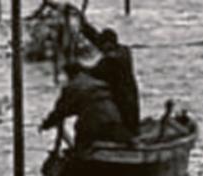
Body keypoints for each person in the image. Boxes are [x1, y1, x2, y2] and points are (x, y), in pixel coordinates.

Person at [71, 6, 140, 135]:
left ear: (111, 44)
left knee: (127, 128)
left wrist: (77, 67)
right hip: (122, 97)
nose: (102, 50)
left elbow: (94, 72)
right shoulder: (122, 50)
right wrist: (83, 24)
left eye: (105, 47)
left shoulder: (115, 59)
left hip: (124, 101)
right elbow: (96, 38)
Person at [40, 60, 131, 150]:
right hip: (114, 117)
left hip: (92, 122)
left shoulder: (72, 87)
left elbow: (60, 110)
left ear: (69, 74)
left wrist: (47, 124)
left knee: (81, 146)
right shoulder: (97, 82)